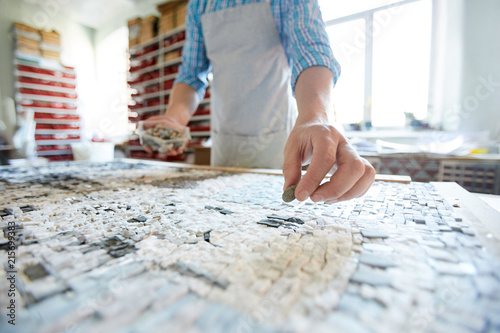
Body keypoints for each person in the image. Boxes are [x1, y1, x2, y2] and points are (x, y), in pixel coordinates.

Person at [145, 0, 375, 203]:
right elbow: (191, 75)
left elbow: (312, 53)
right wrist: (174, 118)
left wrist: (315, 116)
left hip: (275, 143)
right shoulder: (199, 4)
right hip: (225, 143)